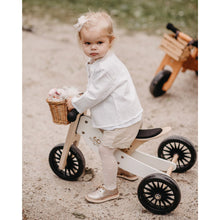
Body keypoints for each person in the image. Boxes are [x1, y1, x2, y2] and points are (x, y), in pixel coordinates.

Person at [66, 11, 143, 203]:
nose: (93, 48)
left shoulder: (107, 67)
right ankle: (125, 168)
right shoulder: (100, 61)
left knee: (105, 150)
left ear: (110, 41)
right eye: (88, 43)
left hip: (122, 121)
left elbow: (95, 94)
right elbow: (97, 89)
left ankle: (110, 189)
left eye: (99, 43)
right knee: (109, 140)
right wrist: (83, 97)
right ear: (81, 42)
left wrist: (75, 104)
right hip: (123, 116)